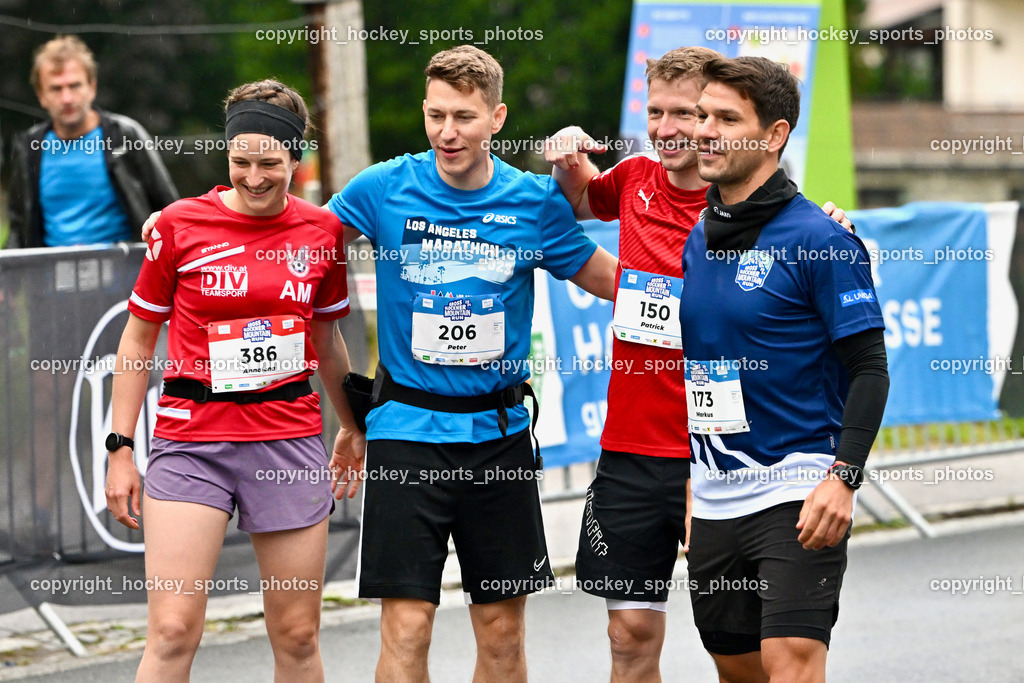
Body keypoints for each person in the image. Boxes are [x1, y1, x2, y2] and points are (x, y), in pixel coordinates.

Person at [544, 47, 852, 682]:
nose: (667, 128)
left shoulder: (749, 210)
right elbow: (578, 200)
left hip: (721, 459)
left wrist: (831, 225)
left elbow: (818, 282)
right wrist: (568, 159)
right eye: (655, 112)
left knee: (746, 654)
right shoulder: (633, 179)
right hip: (632, 445)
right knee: (628, 637)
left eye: (685, 112)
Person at [325, 45, 616, 682]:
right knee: (407, 628)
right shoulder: (383, 188)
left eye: (463, 117)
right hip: (407, 433)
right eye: (435, 116)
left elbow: (615, 281)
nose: (447, 132)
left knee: (503, 633)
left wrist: (718, 262)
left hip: (500, 439)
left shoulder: (534, 202)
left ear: (497, 118)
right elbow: (296, 238)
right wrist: (190, 219)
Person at [104, 79, 363, 682]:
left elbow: (326, 343)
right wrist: (120, 450)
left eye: (269, 163)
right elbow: (138, 339)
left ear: (296, 159)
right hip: (192, 442)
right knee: (171, 632)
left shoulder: (320, 233)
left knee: (298, 637)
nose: (253, 177)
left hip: (286, 441)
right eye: (240, 162)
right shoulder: (177, 225)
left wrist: (354, 426)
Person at [679, 56, 888, 682]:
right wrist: (691, 482)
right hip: (716, 496)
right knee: (736, 668)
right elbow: (698, 368)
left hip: (797, 487)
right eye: (702, 115)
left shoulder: (819, 239)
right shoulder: (700, 235)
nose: (705, 131)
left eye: (726, 118)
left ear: (774, 135)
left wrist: (843, 476)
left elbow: (870, 369)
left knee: (790, 663)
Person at [7, 34, 177, 248]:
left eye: (74, 86)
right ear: (41, 96)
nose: (67, 98)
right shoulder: (30, 148)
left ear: (92, 87)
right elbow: (18, 227)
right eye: (56, 88)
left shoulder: (124, 135)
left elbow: (169, 208)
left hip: (127, 273)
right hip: (52, 275)